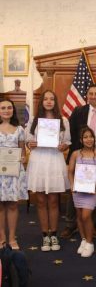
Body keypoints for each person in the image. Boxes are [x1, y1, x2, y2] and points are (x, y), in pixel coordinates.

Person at [60, 84, 96, 239]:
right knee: (75, 193)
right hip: (78, 158)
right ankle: (70, 225)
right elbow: (71, 135)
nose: (93, 96)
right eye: (90, 93)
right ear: (87, 95)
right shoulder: (78, 112)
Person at [25, 90, 71, 251]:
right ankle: (45, 235)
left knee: (53, 200)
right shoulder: (33, 120)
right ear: (42, 102)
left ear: (55, 101)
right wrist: (30, 144)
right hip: (38, 161)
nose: (49, 101)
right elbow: (27, 141)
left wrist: (63, 146)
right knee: (41, 201)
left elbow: (67, 142)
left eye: (52, 99)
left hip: (54, 161)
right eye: (46, 99)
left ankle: (54, 234)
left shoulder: (63, 120)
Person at [68, 126, 96, 258]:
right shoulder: (75, 154)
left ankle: (90, 243)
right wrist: (72, 185)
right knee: (79, 216)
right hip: (78, 190)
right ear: (81, 139)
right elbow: (70, 172)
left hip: (91, 191)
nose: (89, 139)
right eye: (85, 137)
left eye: (91, 137)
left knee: (86, 216)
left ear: (94, 138)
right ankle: (83, 240)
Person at [0, 99, 27, 250]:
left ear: (13, 110)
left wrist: (23, 158)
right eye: (3, 108)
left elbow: (22, 151)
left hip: (14, 172)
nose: (6, 110)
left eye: (9, 108)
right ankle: (1, 237)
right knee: (0, 206)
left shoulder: (19, 129)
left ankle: (11, 238)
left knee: (12, 205)